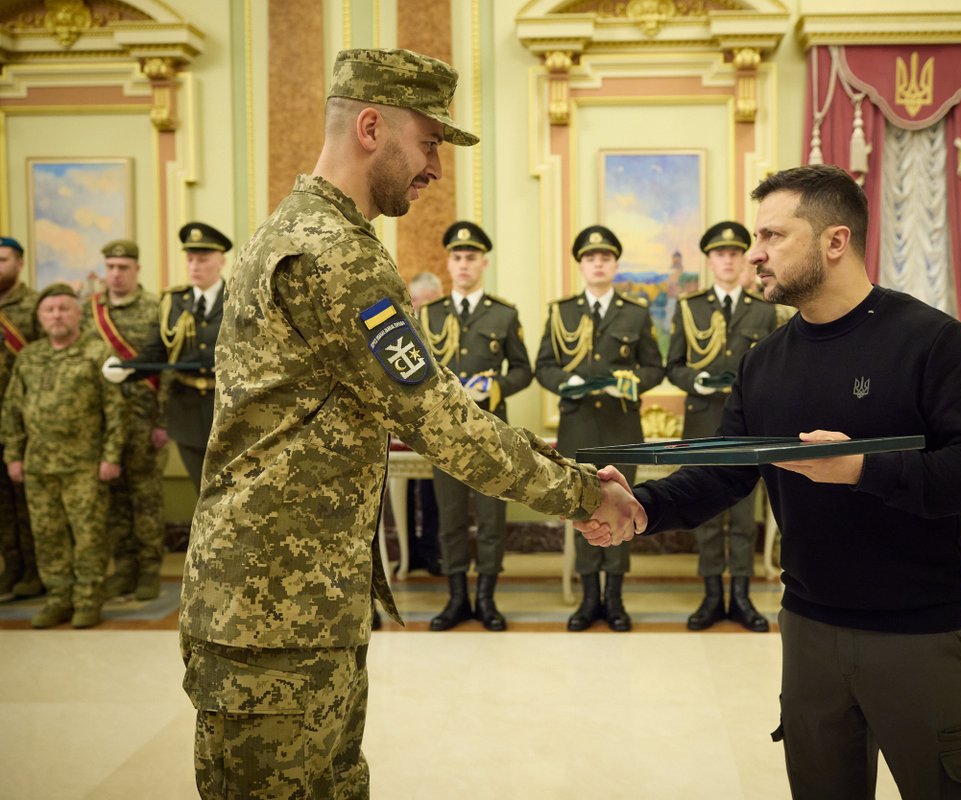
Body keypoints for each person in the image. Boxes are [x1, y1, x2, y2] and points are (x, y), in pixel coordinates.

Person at [177, 48, 638, 799]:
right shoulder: (335, 256)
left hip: (292, 601)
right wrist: (585, 493)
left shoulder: (299, 231)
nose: (433, 168)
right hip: (274, 612)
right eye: (428, 143)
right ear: (370, 127)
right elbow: (445, 420)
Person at [582, 165, 961, 798]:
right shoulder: (765, 363)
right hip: (808, 627)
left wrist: (864, 468)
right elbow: (724, 469)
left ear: (834, 241)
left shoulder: (931, 341)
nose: (753, 254)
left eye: (772, 236)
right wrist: (641, 507)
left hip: (918, 632)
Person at [535, 224, 664, 632]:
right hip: (579, 429)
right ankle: (589, 596)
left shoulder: (636, 313)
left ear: (614, 265)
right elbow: (545, 365)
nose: (598, 263)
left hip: (622, 427)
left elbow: (654, 367)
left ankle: (616, 598)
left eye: (605, 258)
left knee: (625, 509)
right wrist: (564, 382)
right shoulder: (562, 312)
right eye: (591, 258)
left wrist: (632, 381)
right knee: (583, 510)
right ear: (581, 265)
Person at [418, 221, 532, 631]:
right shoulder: (429, 314)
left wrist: (495, 386)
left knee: (490, 516)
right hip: (445, 435)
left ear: (483, 263)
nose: (463, 265)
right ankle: (455, 599)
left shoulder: (503, 314)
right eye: (457, 257)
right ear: (448, 263)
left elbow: (524, 370)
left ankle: (486, 598)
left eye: (471, 258)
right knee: (449, 516)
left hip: (491, 434)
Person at [666, 221, 777, 632]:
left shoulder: (764, 310)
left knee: (745, 516)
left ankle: (743, 597)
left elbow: (774, 367)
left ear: (743, 259)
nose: (728, 259)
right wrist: (692, 380)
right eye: (719, 254)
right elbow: (673, 365)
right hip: (702, 421)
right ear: (710, 261)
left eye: (734, 253)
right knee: (706, 512)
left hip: (747, 426)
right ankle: (712, 595)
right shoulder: (690, 308)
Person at [2, 284, 125, 628]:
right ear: (40, 318)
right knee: (47, 534)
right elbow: (12, 409)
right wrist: (13, 455)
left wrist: (110, 456)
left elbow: (115, 411)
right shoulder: (29, 357)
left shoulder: (99, 353)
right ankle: (58, 598)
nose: (56, 315)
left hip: (84, 464)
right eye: (49, 310)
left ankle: (87, 599)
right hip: (38, 464)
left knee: (89, 535)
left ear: (77, 314)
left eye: (63, 309)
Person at [102, 222, 232, 493]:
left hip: (229, 408)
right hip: (185, 410)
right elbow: (156, 351)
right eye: (190, 259)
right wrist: (126, 369)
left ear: (221, 260)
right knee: (203, 491)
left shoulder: (238, 298)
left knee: (233, 490)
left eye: (203, 259)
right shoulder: (173, 302)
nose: (194, 266)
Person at [83, 240, 169, 601]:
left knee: (145, 497)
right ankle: (124, 566)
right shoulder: (89, 311)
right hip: (101, 423)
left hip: (142, 418)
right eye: (111, 267)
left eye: (123, 267)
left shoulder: (156, 308)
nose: (116, 274)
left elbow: (166, 367)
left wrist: (162, 421)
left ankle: (150, 568)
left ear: (137, 269)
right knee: (113, 498)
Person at [0, 236, 42, 602]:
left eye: (3, 259)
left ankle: (35, 571)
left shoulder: (34, 307)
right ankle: (10, 568)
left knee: (27, 501)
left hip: (25, 417)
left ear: (19, 263)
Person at [401, 270, 443, 575]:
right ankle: (408, 553)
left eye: (427, 302)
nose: (419, 308)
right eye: (416, 300)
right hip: (402, 423)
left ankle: (430, 549)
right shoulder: (399, 327)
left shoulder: (445, 327)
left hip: (436, 425)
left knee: (433, 495)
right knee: (403, 492)